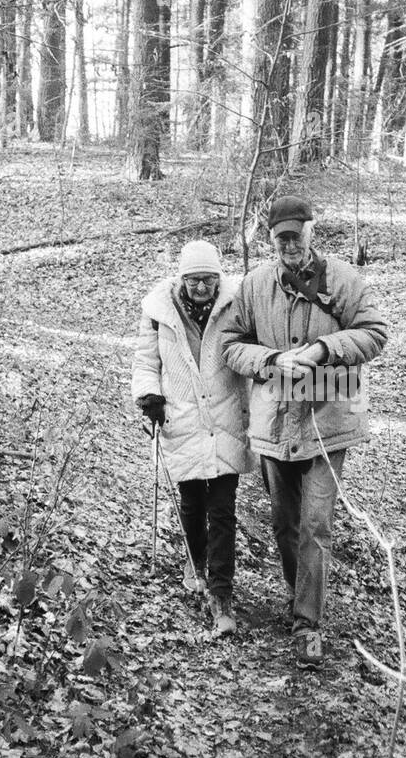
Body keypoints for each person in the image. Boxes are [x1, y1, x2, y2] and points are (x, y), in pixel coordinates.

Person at [221, 195, 387, 666]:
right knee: (283, 523)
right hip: (274, 422)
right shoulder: (254, 287)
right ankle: (300, 596)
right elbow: (231, 346)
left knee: (316, 524)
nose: (290, 244)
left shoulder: (344, 281)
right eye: (281, 238)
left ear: (312, 232)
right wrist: (272, 360)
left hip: (327, 423)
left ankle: (306, 624)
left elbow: (375, 332)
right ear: (271, 240)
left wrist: (323, 350)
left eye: (297, 234)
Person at [131, 240, 254, 637]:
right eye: (194, 279)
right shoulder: (158, 313)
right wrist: (149, 395)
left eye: (208, 279)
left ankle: (222, 594)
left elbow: (251, 350)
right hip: (181, 418)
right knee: (191, 503)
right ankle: (194, 560)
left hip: (225, 419)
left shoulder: (237, 304)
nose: (202, 287)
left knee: (222, 509)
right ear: (181, 278)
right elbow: (146, 360)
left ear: (219, 278)